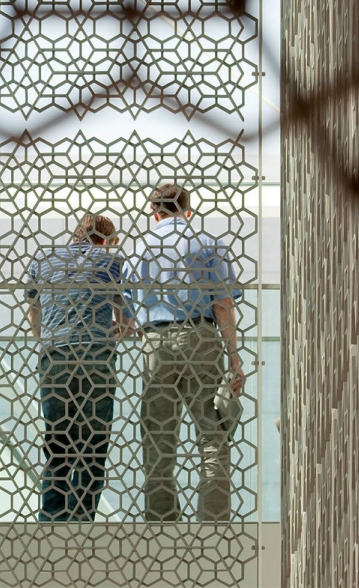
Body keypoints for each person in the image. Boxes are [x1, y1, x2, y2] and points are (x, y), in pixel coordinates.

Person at [123, 183, 243, 521]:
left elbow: (128, 316)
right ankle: (213, 526)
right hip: (201, 339)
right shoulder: (207, 244)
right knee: (212, 436)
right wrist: (234, 358)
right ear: (188, 211)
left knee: (158, 440)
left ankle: (163, 527)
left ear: (154, 212)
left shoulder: (138, 250)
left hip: (155, 344)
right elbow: (223, 304)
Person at [25, 213, 132, 522]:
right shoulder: (111, 262)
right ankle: (82, 523)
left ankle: (52, 522)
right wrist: (117, 330)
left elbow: (33, 311)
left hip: (55, 357)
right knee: (92, 446)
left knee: (57, 446)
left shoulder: (43, 260)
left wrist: (46, 338)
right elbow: (125, 316)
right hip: (95, 359)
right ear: (105, 241)